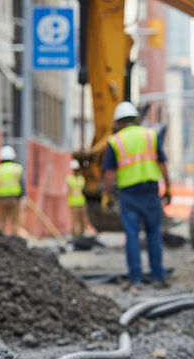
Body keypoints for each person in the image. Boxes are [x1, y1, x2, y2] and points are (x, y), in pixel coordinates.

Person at [102, 101, 172, 287]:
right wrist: (169, 187)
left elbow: (109, 173)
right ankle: (158, 276)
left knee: (132, 236)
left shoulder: (115, 141)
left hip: (129, 194)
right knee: (153, 233)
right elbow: (162, 163)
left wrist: (107, 195)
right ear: (135, 119)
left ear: (118, 123)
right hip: (150, 192)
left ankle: (135, 278)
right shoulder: (150, 135)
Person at [0, 145, 24, 236]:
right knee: (15, 220)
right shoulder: (17, 168)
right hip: (14, 198)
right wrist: (22, 195)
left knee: (2, 219)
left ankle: (1, 238)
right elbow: (22, 183)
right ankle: (15, 238)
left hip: (1, 198)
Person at [65, 159, 87, 240]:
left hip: (81, 201)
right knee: (75, 220)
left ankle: (82, 235)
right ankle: (75, 236)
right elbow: (68, 190)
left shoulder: (81, 178)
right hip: (73, 201)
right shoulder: (69, 178)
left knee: (81, 220)